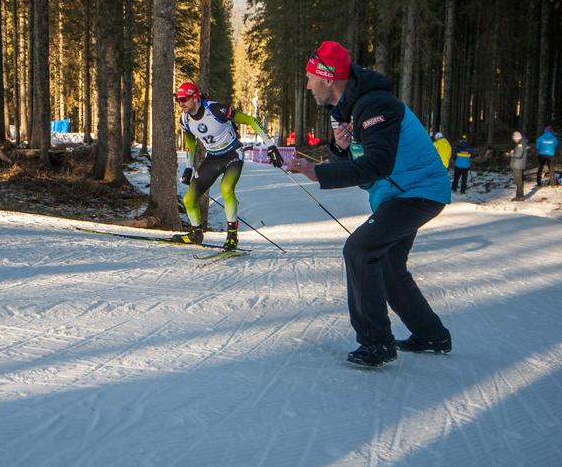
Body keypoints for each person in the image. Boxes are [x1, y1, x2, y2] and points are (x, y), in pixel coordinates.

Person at [287, 41, 452, 368]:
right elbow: (360, 162)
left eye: (310, 78)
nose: (307, 85)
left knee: (359, 250)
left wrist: (318, 172)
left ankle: (376, 344)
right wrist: (338, 148)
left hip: (417, 192)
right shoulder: (350, 109)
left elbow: (379, 165)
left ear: (328, 78)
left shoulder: (376, 105)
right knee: (389, 264)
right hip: (399, 195)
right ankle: (432, 334)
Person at [171, 81, 283, 250]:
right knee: (189, 199)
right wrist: (189, 166)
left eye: (184, 99)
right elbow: (191, 142)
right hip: (213, 158)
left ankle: (232, 236)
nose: (181, 104)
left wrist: (271, 146)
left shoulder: (215, 110)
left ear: (195, 97)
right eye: (178, 100)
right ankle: (196, 234)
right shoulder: (185, 119)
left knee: (226, 188)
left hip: (232, 154)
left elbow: (251, 120)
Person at [510, 131, 526, 201]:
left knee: (518, 181)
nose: (514, 140)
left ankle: (519, 196)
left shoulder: (521, 144)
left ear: (517, 138)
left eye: (514, 139)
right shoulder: (522, 143)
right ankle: (520, 196)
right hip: (518, 165)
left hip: (518, 165)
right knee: (520, 181)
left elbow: (519, 155)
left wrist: (511, 154)